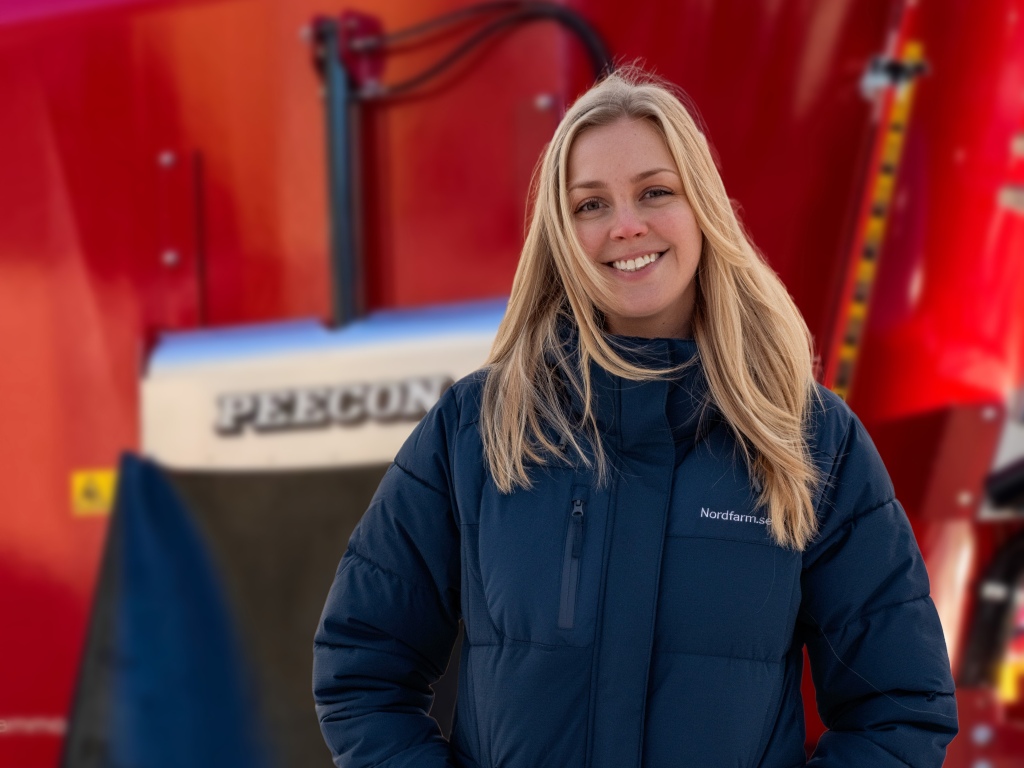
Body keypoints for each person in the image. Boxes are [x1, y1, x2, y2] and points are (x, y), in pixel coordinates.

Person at [312, 67, 958, 768]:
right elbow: (362, 664)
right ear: (562, 234)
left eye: (655, 192)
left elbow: (900, 704)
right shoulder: (477, 430)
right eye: (591, 205)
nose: (626, 226)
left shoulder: (808, 439)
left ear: (702, 208)